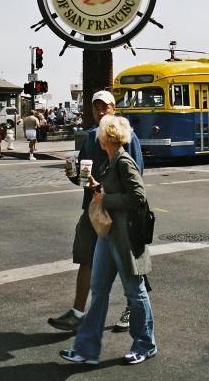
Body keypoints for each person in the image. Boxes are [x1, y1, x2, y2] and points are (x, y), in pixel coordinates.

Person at [59, 114, 156, 366]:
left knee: (135, 292)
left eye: (100, 133)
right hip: (108, 234)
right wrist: (93, 185)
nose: (97, 137)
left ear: (107, 137)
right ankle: (86, 349)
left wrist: (107, 200)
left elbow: (138, 195)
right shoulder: (111, 161)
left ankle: (145, 344)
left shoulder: (124, 161)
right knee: (99, 290)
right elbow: (110, 190)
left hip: (125, 236)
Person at [48, 90, 144, 334]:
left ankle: (133, 308)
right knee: (86, 257)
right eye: (96, 108)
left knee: (128, 263)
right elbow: (84, 179)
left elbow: (136, 181)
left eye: (105, 107)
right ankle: (77, 313)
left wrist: (107, 194)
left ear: (114, 109)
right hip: (93, 209)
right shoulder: (91, 138)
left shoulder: (128, 136)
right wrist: (74, 177)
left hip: (119, 212)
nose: (100, 112)